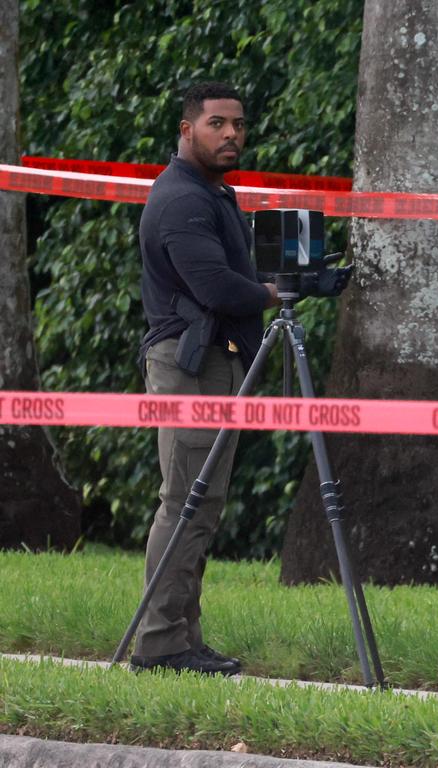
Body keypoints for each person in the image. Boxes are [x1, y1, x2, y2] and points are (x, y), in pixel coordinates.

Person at [131, 82, 279, 675]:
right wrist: (279, 293)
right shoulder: (182, 201)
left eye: (238, 125)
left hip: (212, 358)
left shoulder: (211, 193)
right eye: (217, 124)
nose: (231, 135)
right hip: (189, 364)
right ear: (187, 129)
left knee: (202, 502)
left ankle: (180, 639)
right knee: (186, 502)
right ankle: (161, 643)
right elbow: (216, 288)